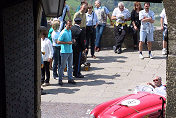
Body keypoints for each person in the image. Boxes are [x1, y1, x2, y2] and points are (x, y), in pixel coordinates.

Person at [57, 20, 76, 85]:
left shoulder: (69, 31)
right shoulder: (63, 32)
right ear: (66, 25)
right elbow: (58, 42)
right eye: (69, 25)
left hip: (70, 51)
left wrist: (72, 40)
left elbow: (69, 40)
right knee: (62, 66)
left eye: (71, 25)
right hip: (64, 52)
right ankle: (60, 79)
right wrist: (67, 43)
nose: (70, 26)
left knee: (70, 66)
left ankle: (70, 79)